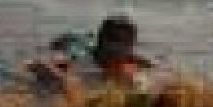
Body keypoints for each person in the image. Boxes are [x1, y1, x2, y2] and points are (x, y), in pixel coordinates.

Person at [24, 14, 154, 93]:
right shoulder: (80, 60)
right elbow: (34, 65)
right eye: (116, 41)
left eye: (127, 43)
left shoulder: (132, 59)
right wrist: (61, 78)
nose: (121, 48)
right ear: (102, 41)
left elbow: (156, 72)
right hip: (71, 45)